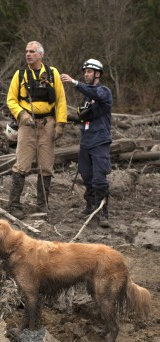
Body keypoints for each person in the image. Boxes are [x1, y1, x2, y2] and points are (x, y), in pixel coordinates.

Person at [7, 41, 67, 217]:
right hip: (27, 125)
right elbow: (11, 99)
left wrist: (61, 124)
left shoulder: (52, 73)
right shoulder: (20, 75)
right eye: (26, 51)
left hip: (47, 124)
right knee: (22, 165)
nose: (28, 54)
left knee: (46, 166)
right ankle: (14, 205)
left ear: (40, 55)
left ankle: (42, 205)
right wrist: (22, 115)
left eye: (32, 51)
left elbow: (61, 99)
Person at [61, 59, 113, 227]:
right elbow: (83, 115)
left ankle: (103, 212)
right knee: (87, 176)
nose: (86, 74)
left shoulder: (104, 91)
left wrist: (75, 82)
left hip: (100, 142)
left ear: (98, 74)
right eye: (85, 72)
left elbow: (95, 94)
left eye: (90, 72)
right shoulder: (85, 97)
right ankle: (90, 206)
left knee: (99, 178)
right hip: (86, 143)